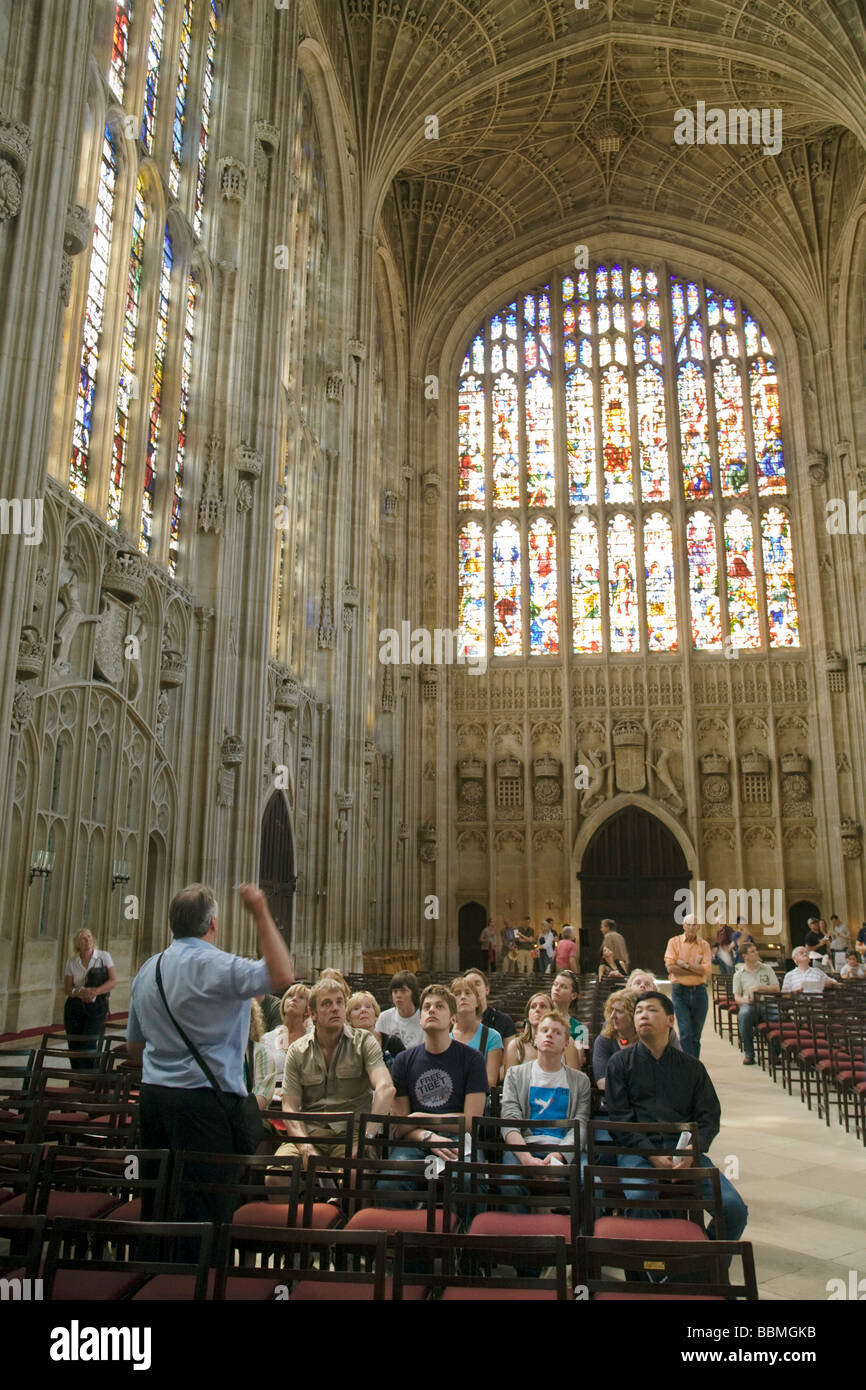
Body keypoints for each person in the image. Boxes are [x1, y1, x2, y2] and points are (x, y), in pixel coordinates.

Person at [125, 883, 294, 1223]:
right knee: (205, 1215)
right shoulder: (221, 967)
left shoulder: (148, 970)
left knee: (158, 1204)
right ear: (213, 924)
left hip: (155, 1102)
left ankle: (153, 1273)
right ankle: (199, 1276)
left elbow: (134, 1049)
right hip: (206, 1108)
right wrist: (260, 911)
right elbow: (282, 974)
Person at [605, 991, 748, 1242]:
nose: (642, 1016)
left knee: (733, 1208)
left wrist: (692, 1151)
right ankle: (659, 1273)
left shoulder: (692, 1067)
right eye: (638, 1011)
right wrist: (651, 1154)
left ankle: (703, 1264)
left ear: (670, 1020)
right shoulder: (620, 1064)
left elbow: (709, 1118)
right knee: (641, 1198)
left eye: (651, 1010)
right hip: (638, 1154)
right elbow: (620, 1120)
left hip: (685, 1154)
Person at [274, 979, 395, 1168]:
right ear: (312, 1014)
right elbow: (289, 1105)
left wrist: (367, 1136)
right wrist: (305, 1147)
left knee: (355, 1174)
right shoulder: (297, 1050)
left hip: (352, 1132)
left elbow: (386, 1088)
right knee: (275, 1177)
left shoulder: (364, 1042)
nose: (335, 1008)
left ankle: (334, 1197)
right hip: (310, 1132)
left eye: (339, 1002)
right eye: (326, 1003)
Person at [387, 984, 489, 1165]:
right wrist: (428, 1136)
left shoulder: (473, 1059)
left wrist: (418, 1118)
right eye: (427, 1007)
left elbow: (471, 1122)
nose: (432, 1010)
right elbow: (400, 1126)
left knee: (466, 1179)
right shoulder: (403, 1060)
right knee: (390, 1182)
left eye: (439, 1006)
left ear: (453, 1019)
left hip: (458, 1138)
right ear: (420, 1019)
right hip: (416, 1140)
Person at [501, 1010, 591, 1170]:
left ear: (566, 1044)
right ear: (536, 1039)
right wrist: (527, 1159)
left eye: (557, 1032)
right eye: (544, 1031)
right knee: (509, 1183)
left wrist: (560, 1155)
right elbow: (509, 1121)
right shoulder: (515, 1075)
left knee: (593, 1183)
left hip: (566, 1148)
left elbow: (581, 1125)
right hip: (525, 1146)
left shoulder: (581, 1081)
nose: (549, 1035)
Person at [63, 928, 117, 1070]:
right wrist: (79, 992)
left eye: (89, 936)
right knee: (74, 1043)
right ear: (77, 943)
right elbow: (67, 988)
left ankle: (90, 1079)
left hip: (97, 1004)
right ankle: (76, 1077)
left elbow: (113, 981)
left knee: (89, 1042)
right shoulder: (72, 961)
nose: (87, 940)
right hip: (75, 1005)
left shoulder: (103, 956)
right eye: (83, 938)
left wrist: (95, 992)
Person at [664, 913, 712, 1057]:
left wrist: (683, 964)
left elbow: (706, 970)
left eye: (694, 924)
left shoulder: (704, 945)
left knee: (696, 1036)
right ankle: (689, 1066)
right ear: (684, 926)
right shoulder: (674, 942)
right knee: (685, 1032)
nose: (691, 927)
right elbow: (671, 968)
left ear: (698, 927)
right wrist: (695, 970)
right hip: (680, 992)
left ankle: (694, 1065)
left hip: (699, 992)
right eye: (688, 924)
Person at [503, 991, 583, 1075]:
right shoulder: (516, 1045)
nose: (537, 1009)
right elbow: (510, 1083)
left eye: (543, 1006)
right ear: (528, 1016)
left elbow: (575, 1083)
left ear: (552, 1013)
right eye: (533, 1007)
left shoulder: (567, 1043)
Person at [731, 942, 780, 1065]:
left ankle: (775, 1054)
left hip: (767, 1001)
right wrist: (747, 1000)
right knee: (744, 1015)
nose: (756, 953)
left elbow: (776, 988)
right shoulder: (739, 974)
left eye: (756, 950)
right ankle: (749, 1054)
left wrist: (760, 988)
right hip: (749, 1004)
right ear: (745, 956)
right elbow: (737, 997)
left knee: (779, 1016)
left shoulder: (767, 969)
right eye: (752, 951)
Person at [450, 975, 503, 1087]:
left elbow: (490, 1082)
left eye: (468, 993)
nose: (463, 997)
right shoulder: (443, 1035)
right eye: (457, 994)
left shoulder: (492, 1036)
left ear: (477, 1002)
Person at [259, 982, 310, 1079]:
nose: (294, 999)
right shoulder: (266, 1039)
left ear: (308, 1009)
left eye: (301, 997)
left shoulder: (313, 1038)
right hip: (273, 1090)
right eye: (290, 996)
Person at [592, 989, 638, 1091]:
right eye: (612, 1010)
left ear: (633, 1015)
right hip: (612, 1102)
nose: (612, 1016)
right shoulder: (603, 1041)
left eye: (619, 1011)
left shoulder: (645, 1041)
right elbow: (602, 1083)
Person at [347, 990, 405, 1070]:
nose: (363, 1010)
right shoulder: (345, 1047)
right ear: (349, 1018)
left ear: (376, 1014)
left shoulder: (393, 1043)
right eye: (356, 1008)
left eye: (368, 1006)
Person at [463, 968, 516, 1040]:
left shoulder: (503, 1021)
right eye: (468, 985)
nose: (472, 988)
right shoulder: (456, 1022)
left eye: (477, 984)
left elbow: (510, 1050)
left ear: (487, 989)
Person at [375, 971, 423, 1049]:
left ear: (413, 993)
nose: (398, 995)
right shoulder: (384, 1017)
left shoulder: (423, 1018)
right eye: (395, 991)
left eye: (403, 991)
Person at [550, 970, 587, 1063]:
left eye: (563, 986)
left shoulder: (580, 1028)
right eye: (555, 984)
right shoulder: (538, 1018)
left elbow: (578, 1061)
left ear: (573, 995)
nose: (557, 988)